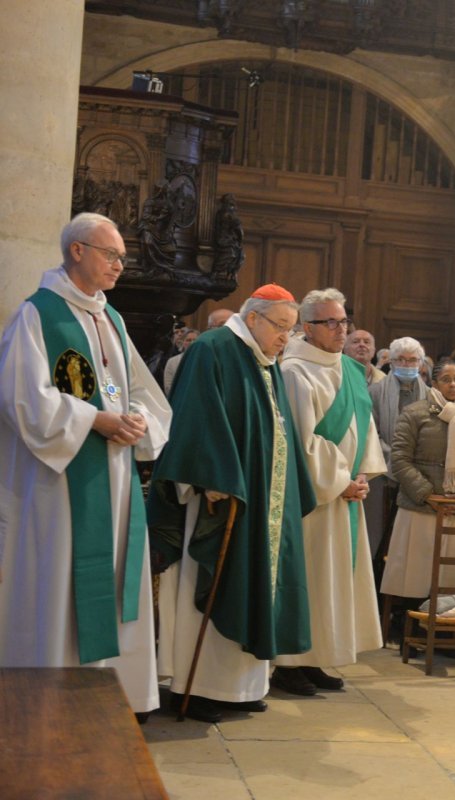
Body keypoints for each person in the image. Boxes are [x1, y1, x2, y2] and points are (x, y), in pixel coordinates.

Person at [0, 212, 172, 720]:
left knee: (115, 574)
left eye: (122, 256)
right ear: (77, 251)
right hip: (61, 482)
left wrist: (137, 420)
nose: (120, 265)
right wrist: (94, 420)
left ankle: (111, 693)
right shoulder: (38, 315)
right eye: (111, 254)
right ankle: (53, 698)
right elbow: (24, 400)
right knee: (61, 580)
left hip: (114, 474)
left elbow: (141, 389)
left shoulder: (110, 318)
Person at [150, 283, 317, 724]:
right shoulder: (214, 348)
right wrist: (211, 477)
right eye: (281, 327)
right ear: (254, 318)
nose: (286, 337)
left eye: (291, 329)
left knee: (255, 582)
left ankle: (240, 687)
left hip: (263, 498)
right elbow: (195, 415)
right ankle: (196, 686)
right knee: (214, 583)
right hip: (222, 496)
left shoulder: (265, 360)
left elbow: (276, 424)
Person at [273, 289, 386, 696]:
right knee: (312, 578)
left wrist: (363, 476)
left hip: (347, 494)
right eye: (331, 323)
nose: (341, 330)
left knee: (335, 582)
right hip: (315, 498)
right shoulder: (294, 371)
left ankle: (319, 656)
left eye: (344, 322)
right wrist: (340, 481)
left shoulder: (352, 371)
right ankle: (289, 663)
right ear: (307, 327)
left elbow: (365, 427)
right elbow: (301, 440)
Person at [379, 359, 455, 621]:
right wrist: (430, 495)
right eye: (446, 379)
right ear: (434, 382)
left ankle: (447, 628)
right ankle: (411, 627)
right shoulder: (415, 413)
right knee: (416, 571)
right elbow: (400, 458)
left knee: (452, 575)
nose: (453, 384)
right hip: (421, 507)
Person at [368, 336, 430, 559]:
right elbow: (370, 434)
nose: (406, 365)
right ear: (391, 363)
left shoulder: (432, 397)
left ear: (421, 363)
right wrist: (397, 461)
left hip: (419, 475)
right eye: (400, 360)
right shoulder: (375, 392)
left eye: (412, 360)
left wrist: (413, 467)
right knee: (380, 534)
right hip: (383, 474)